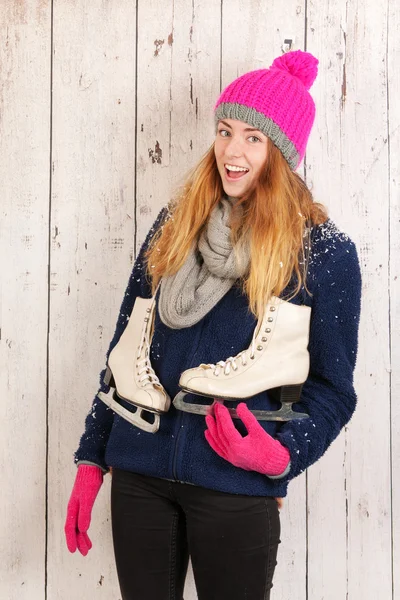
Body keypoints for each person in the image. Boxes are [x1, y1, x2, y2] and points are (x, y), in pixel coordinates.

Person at [64, 50, 362, 600]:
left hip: (235, 484)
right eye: (225, 131)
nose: (231, 150)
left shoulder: (322, 253)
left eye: (253, 137)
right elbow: (126, 346)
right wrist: (91, 456)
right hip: (140, 477)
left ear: (283, 152)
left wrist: (281, 456)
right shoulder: (176, 225)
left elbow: (333, 391)